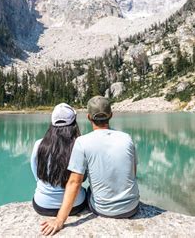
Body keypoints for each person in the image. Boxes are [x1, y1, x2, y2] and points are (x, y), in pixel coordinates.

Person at [41, 96, 139, 235]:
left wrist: (59, 220)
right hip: (132, 207)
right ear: (111, 115)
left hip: (103, 210)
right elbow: (133, 173)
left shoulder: (82, 142)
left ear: (88, 117)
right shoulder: (127, 138)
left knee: (87, 191)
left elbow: (74, 182)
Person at [30, 103, 87, 216]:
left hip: (43, 205)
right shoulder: (80, 145)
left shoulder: (39, 144)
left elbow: (37, 175)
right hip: (75, 205)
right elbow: (83, 178)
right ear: (74, 122)